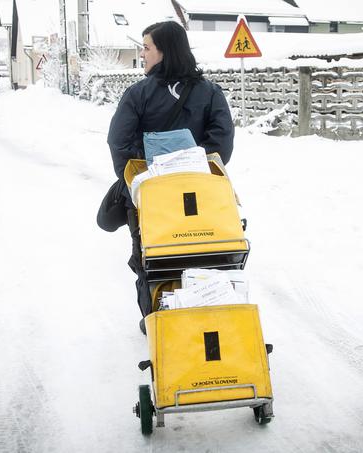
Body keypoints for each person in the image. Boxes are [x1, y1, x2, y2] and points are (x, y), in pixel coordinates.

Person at [106, 21, 235, 333]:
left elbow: (118, 142)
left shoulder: (138, 94)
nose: (142, 53)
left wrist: (142, 178)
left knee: (151, 259)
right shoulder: (210, 92)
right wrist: (191, 169)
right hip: (200, 196)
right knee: (204, 254)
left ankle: (156, 324)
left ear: (165, 51)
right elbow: (221, 145)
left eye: (147, 47)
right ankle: (206, 317)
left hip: (150, 197)